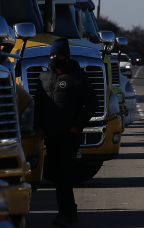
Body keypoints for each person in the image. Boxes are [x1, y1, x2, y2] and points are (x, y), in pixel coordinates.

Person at [34, 37, 99, 227]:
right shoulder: (43, 77)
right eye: (53, 54)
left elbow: (92, 103)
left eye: (59, 54)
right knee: (56, 174)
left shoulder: (78, 77)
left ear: (67, 56)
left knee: (63, 174)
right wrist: (37, 127)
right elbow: (37, 105)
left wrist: (77, 126)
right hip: (50, 136)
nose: (55, 58)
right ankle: (70, 211)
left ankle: (65, 214)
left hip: (69, 135)